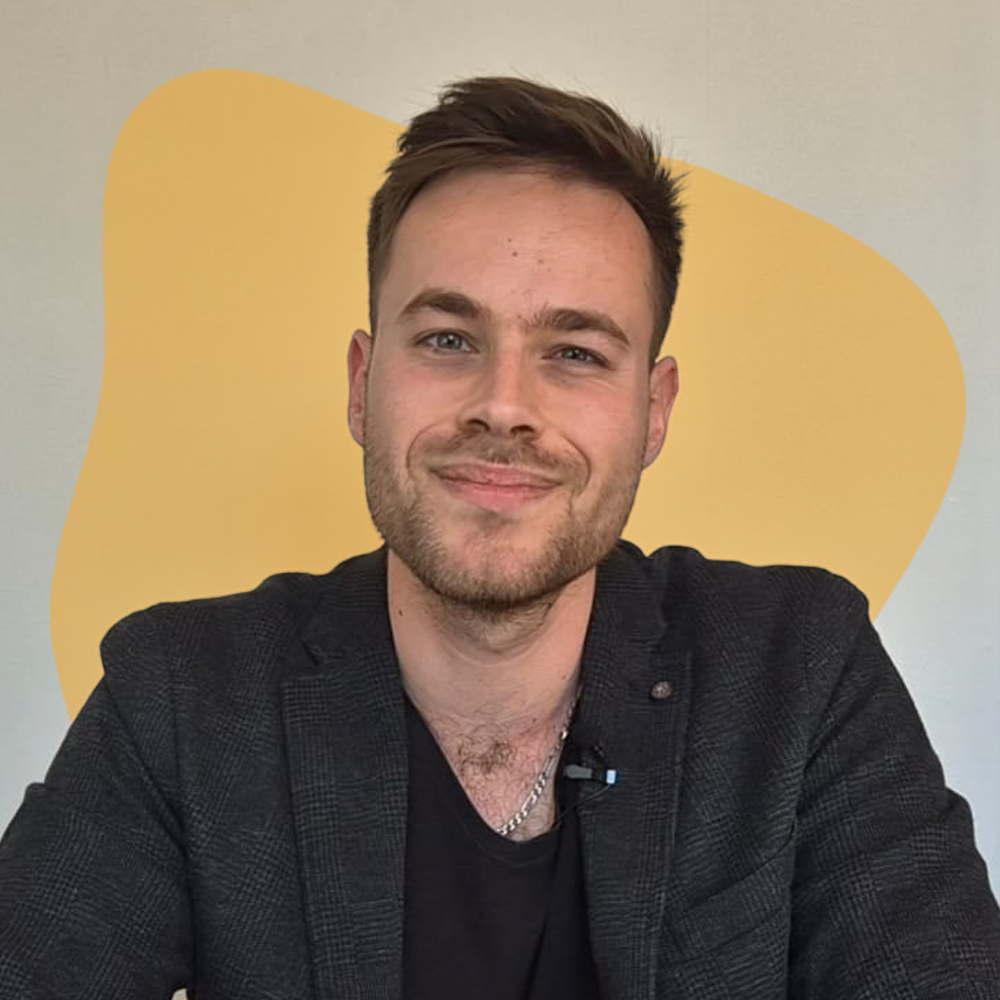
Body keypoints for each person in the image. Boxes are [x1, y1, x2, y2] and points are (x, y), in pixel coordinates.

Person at [1, 76, 998, 1000]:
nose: (504, 405)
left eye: (575, 351)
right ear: (362, 384)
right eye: (448, 339)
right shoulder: (183, 694)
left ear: (652, 411)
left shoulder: (798, 670)